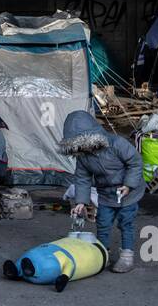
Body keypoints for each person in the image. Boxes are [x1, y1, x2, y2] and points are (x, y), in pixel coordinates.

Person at [60, 110, 144, 273]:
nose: (83, 147)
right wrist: (81, 202)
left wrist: (128, 184)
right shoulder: (83, 156)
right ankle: (102, 254)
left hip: (128, 192)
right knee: (103, 224)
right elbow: (82, 178)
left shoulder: (116, 144)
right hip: (106, 194)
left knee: (126, 223)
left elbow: (135, 162)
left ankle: (126, 257)